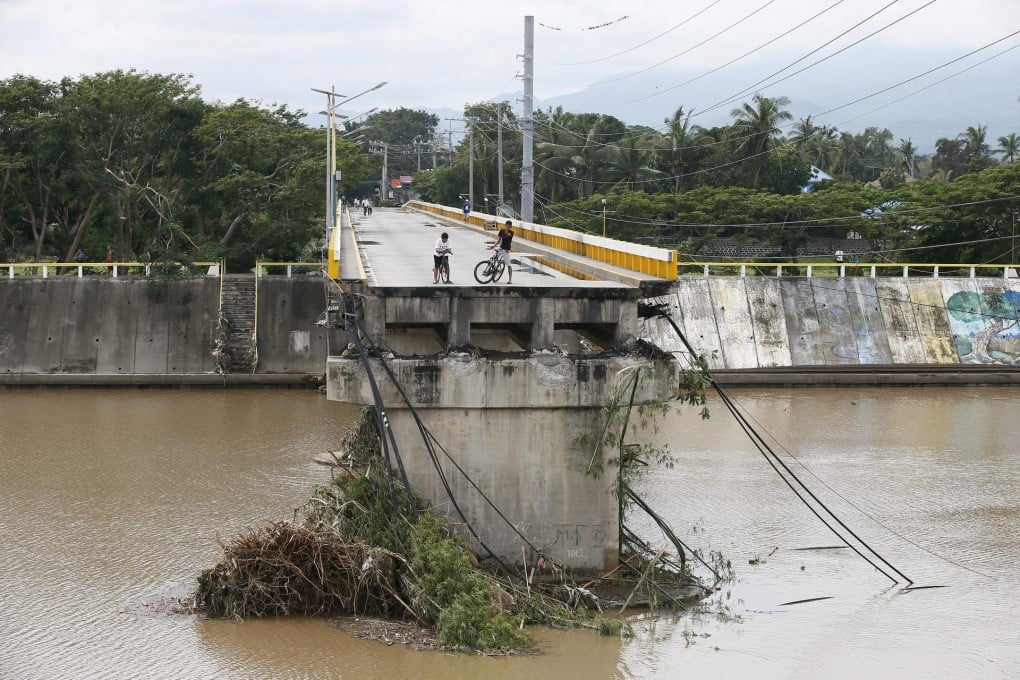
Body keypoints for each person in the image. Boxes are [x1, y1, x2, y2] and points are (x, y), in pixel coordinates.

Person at [494, 219, 514, 283]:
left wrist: (504, 230)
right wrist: (494, 245)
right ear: (505, 225)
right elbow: (499, 240)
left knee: (508, 265)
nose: (507, 227)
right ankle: (495, 269)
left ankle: (510, 279)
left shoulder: (511, 232)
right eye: (506, 226)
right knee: (493, 258)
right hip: (501, 248)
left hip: (506, 250)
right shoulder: (502, 231)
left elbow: (508, 235)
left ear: (511, 227)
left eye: (509, 226)